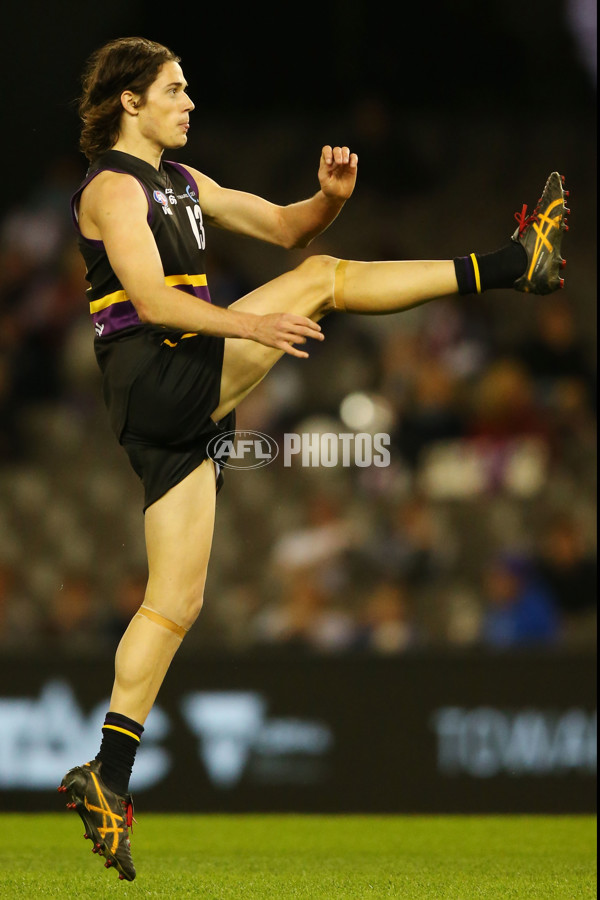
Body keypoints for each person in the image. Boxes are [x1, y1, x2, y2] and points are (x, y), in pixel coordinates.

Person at [57, 36, 569, 882]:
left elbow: (288, 229)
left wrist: (327, 200)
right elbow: (150, 300)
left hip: (167, 405)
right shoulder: (115, 188)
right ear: (129, 102)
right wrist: (253, 325)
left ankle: (107, 776)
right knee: (324, 279)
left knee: (175, 599)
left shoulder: (186, 185)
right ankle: (516, 263)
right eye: (175, 89)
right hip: (157, 371)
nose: (190, 102)